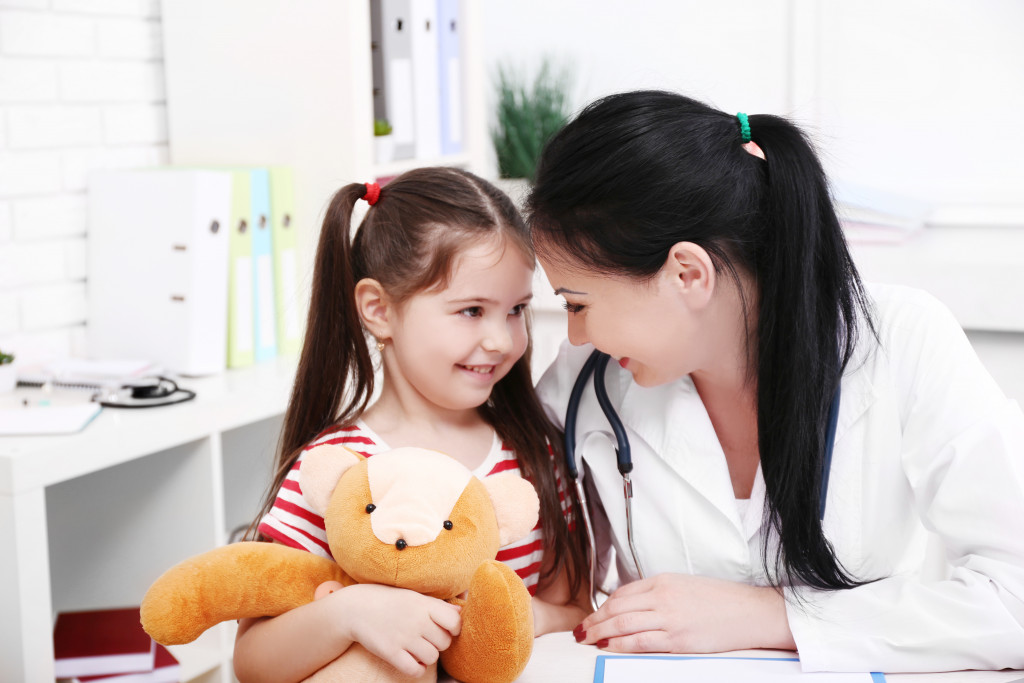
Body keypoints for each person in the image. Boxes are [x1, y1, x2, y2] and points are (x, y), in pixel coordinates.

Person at [527, 90, 1024, 672]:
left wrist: (771, 615)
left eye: (578, 303)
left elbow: (1014, 598)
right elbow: (490, 540)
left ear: (687, 273)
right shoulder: (585, 382)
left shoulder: (903, 341)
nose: (577, 335)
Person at [234, 167, 588, 683]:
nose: (501, 339)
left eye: (515, 310)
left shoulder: (534, 452)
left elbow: (575, 607)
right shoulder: (335, 467)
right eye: (471, 310)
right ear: (378, 309)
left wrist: (524, 618)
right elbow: (253, 661)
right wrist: (350, 615)